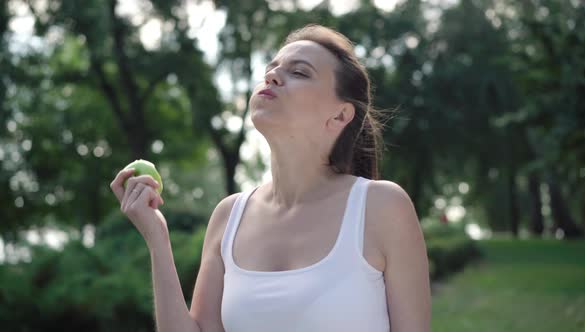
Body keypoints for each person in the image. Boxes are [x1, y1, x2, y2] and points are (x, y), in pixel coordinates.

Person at [110, 24, 431, 332]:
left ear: (340, 115)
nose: (272, 75)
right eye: (272, 68)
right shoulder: (229, 216)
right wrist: (157, 238)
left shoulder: (382, 207)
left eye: (299, 72)